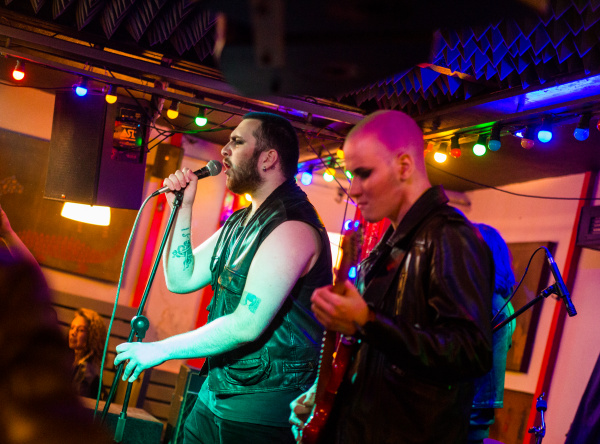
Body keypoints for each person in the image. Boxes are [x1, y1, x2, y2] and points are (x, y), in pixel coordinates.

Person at [114, 112, 332, 444]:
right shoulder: (241, 221)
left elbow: (246, 323)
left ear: (268, 159)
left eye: (237, 142)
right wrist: (182, 207)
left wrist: (160, 349)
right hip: (215, 393)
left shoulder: (292, 226)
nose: (224, 150)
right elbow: (181, 278)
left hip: (262, 410)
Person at [289, 110, 494, 443]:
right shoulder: (388, 245)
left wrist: (368, 321)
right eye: (351, 175)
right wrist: (327, 401)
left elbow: (471, 351)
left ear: (404, 166)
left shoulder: (450, 236)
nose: (354, 189)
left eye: (364, 173)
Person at [468, 223, 516, 444]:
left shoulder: (492, 306)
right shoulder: (495, 302)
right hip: (469, 414)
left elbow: (487, 377)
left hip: (468, 418)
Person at [69, 308, 107, 399]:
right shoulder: (82, 364)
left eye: (81, 330)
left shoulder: (86, 370)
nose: (73, 332)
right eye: (72, 327)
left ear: (92, 335)